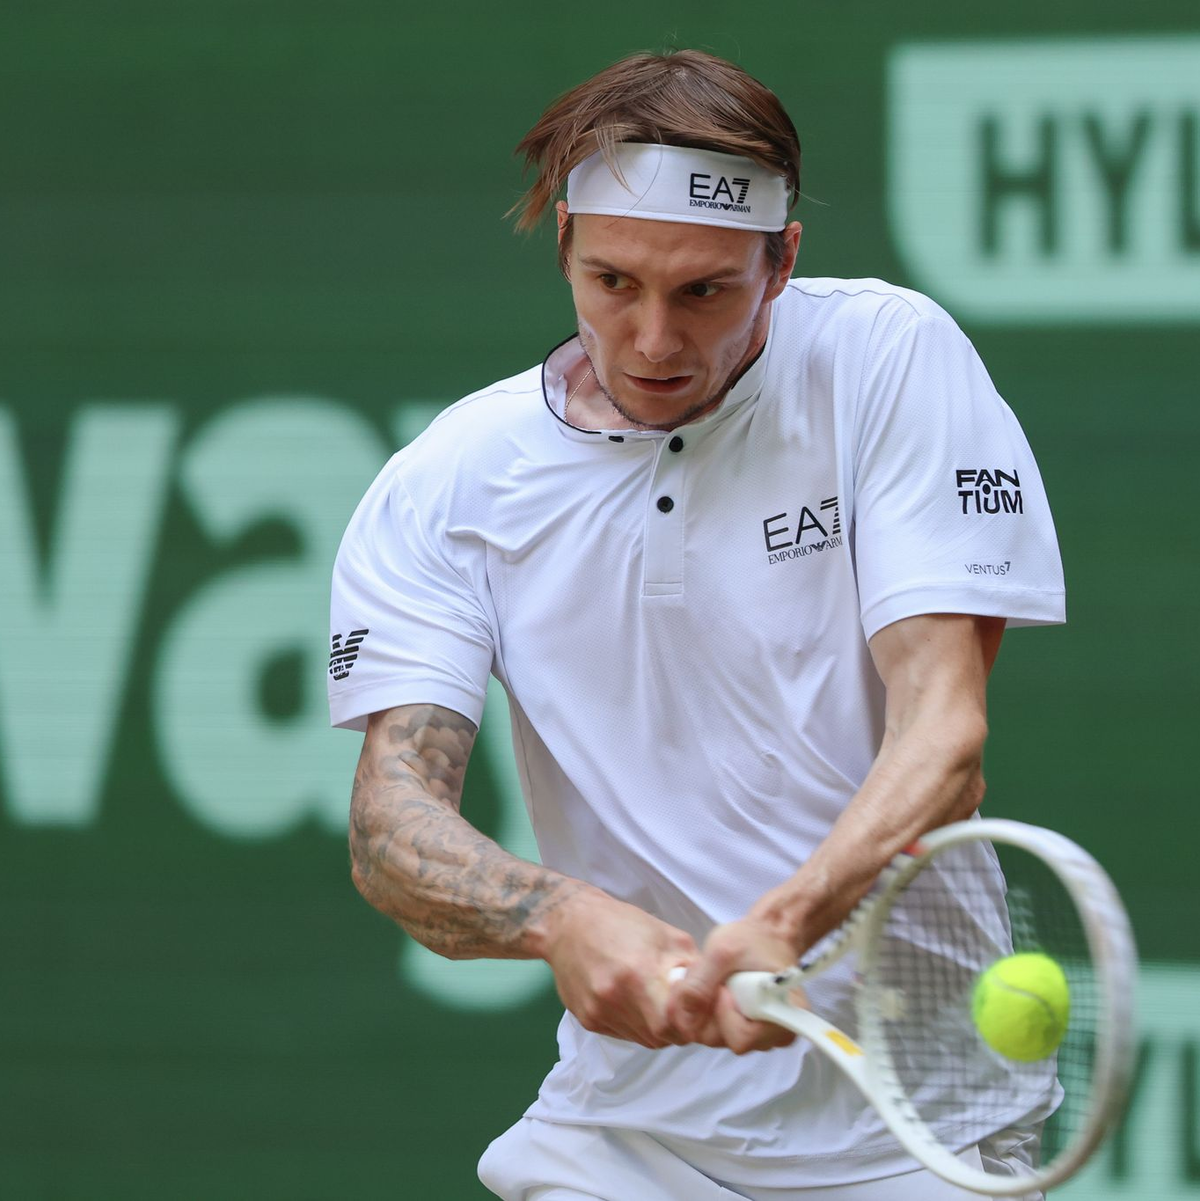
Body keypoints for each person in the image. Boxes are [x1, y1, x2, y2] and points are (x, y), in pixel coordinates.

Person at [328, 49, 1064, 1201]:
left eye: (704, 291)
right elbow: (390, 826)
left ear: (783, 264)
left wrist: (785, 920)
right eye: (612, 282)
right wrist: (559, 917)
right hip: (626, 1138)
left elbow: (943, 731)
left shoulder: (885, 360)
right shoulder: (450, 485)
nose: (655, 341)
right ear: (565, 242)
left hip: (920, 1120)